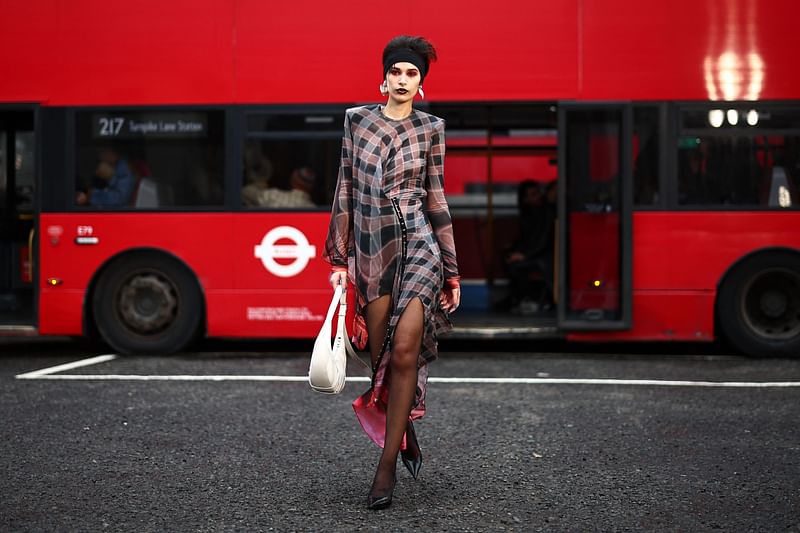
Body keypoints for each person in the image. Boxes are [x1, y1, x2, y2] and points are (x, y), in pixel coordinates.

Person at [324, 35, 460, 510]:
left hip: (420, 243)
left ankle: (385, 468)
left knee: (405, 352)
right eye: (397, 72)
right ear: (383, 77)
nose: (403, 80)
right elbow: (344, 186)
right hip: (372, 244)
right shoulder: (357, 121)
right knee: (379, 354)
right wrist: (338, 259)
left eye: (413, 74)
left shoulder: (432, 128)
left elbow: (436, 197)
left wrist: (452, 270)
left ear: (421, 83)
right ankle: (405, 432)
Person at [504, 180, 555, 313]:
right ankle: (522, 298)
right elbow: (527, 238)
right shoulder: (529, 214)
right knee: (508, 258)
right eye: (533, 194)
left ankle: (533, 299)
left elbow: (543, 241)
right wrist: (515, 250)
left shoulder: (547, 212)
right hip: (535, 253)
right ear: (525, 199)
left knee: (515, 267)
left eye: (538, 193)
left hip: (545, 256)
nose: (538, 196)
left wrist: (524, 255)